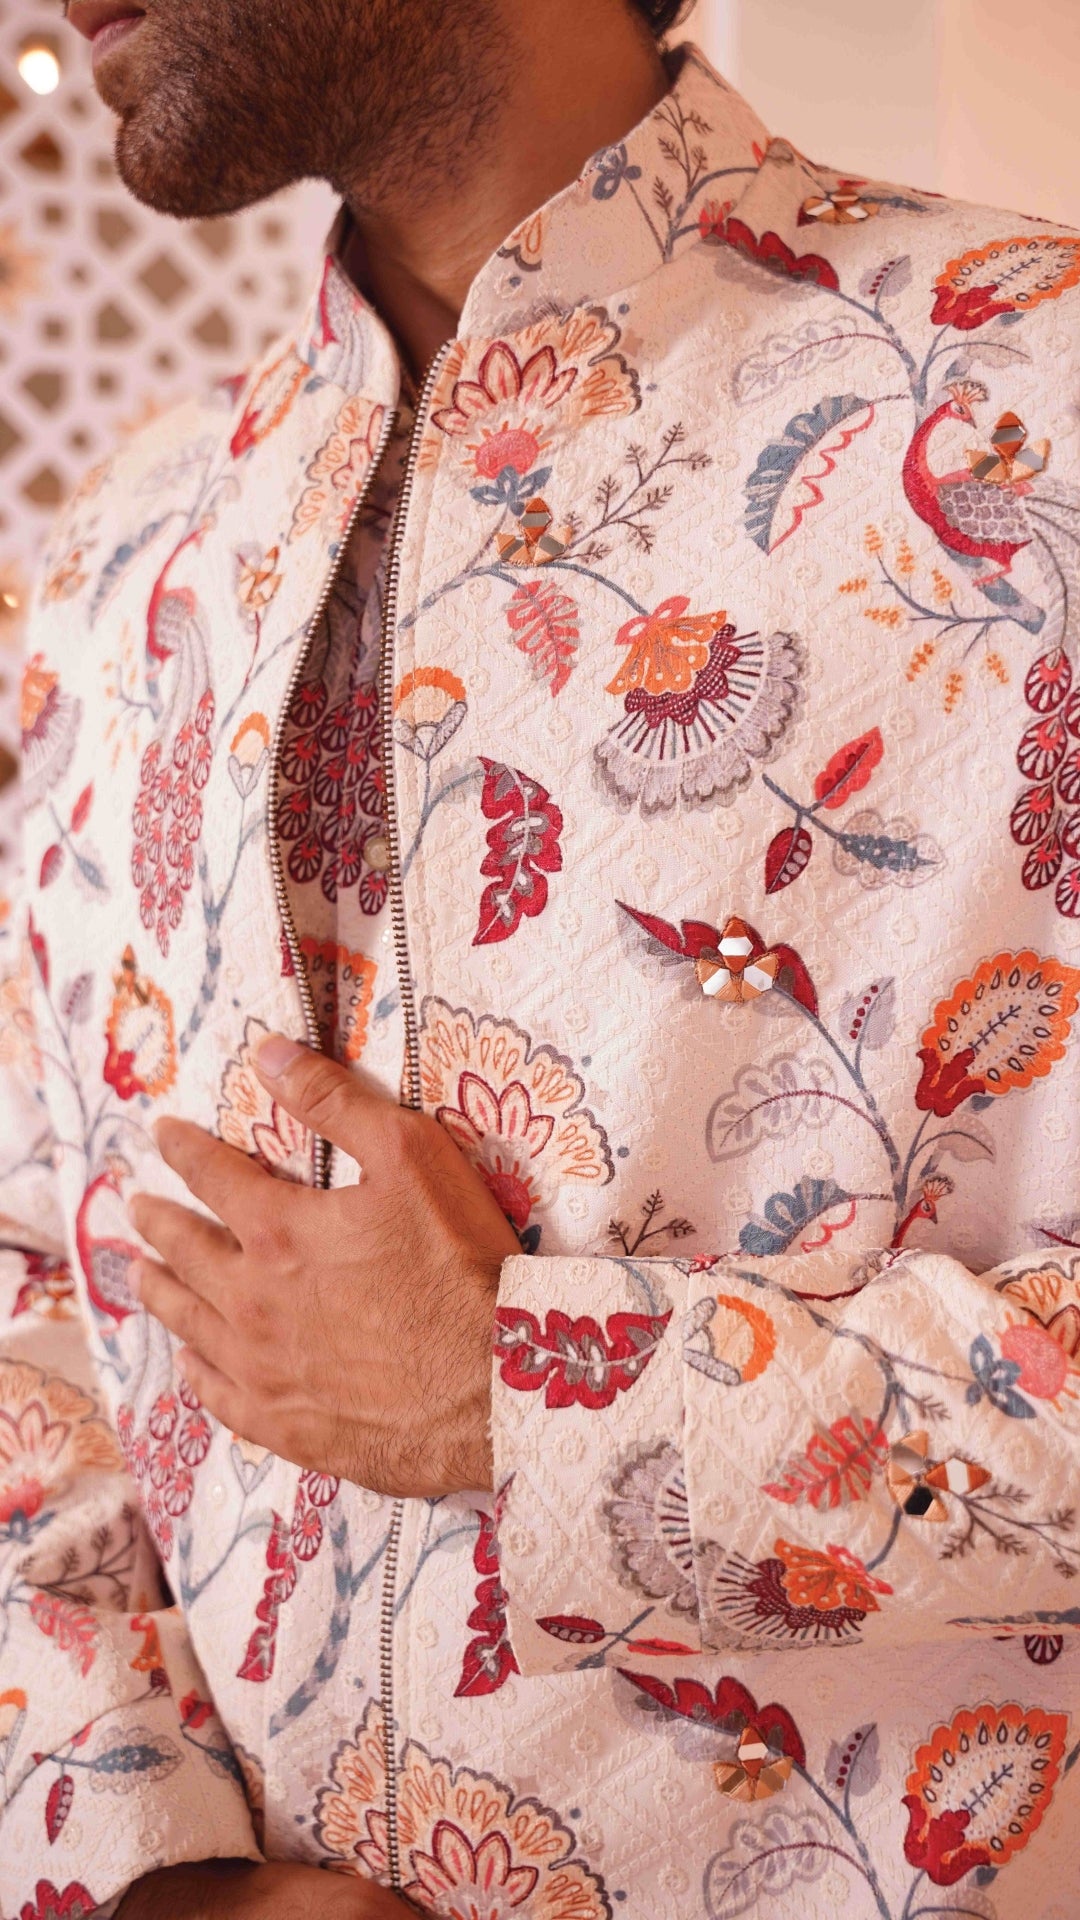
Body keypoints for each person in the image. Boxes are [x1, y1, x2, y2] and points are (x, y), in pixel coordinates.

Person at [2, 0, 1079, 1912]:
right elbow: (31, 1295)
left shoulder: (1037, 414)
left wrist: (531, 1395)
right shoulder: (123, 566)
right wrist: (141, 1853)